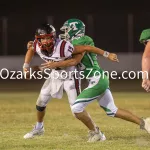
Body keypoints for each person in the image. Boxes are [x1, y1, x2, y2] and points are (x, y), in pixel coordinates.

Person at [41, 19, 150, 142]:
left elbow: (75, 61)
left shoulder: (80, 40)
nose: (65, 33)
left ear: (74, 29)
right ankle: (145, 123)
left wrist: (56, 64)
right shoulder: (73, 42)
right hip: (98, 78)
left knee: (76, 108)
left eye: (67, 30)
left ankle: (96, 133)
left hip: (96, 79)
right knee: (112, 111)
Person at [23, 23, 118, 140]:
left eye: (49, 38)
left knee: (76, 109)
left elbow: (86, 49)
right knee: (40, 102)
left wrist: (107, 54)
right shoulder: (36, 44)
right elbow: (31, 49)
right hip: (55, 74)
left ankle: (96, 132)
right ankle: (39, 128)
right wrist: (26, 66)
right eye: (43, 38)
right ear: (38, 39)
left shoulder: (63, 46)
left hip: (70, 76)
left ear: (53, 37)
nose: (46, 41)